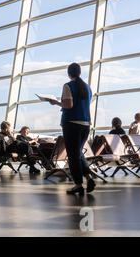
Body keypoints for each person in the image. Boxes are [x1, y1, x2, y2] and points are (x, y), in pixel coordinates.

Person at [48, 63, 95, 195]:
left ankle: (78, 185)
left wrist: (55, 102)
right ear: (79, 72)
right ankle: (88, 177)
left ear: (69, 73)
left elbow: (68, 105)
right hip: (85, 124)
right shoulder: (87, 88)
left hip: (72, 124)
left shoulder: (68, 85)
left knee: (73, 156)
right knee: (78, 153)